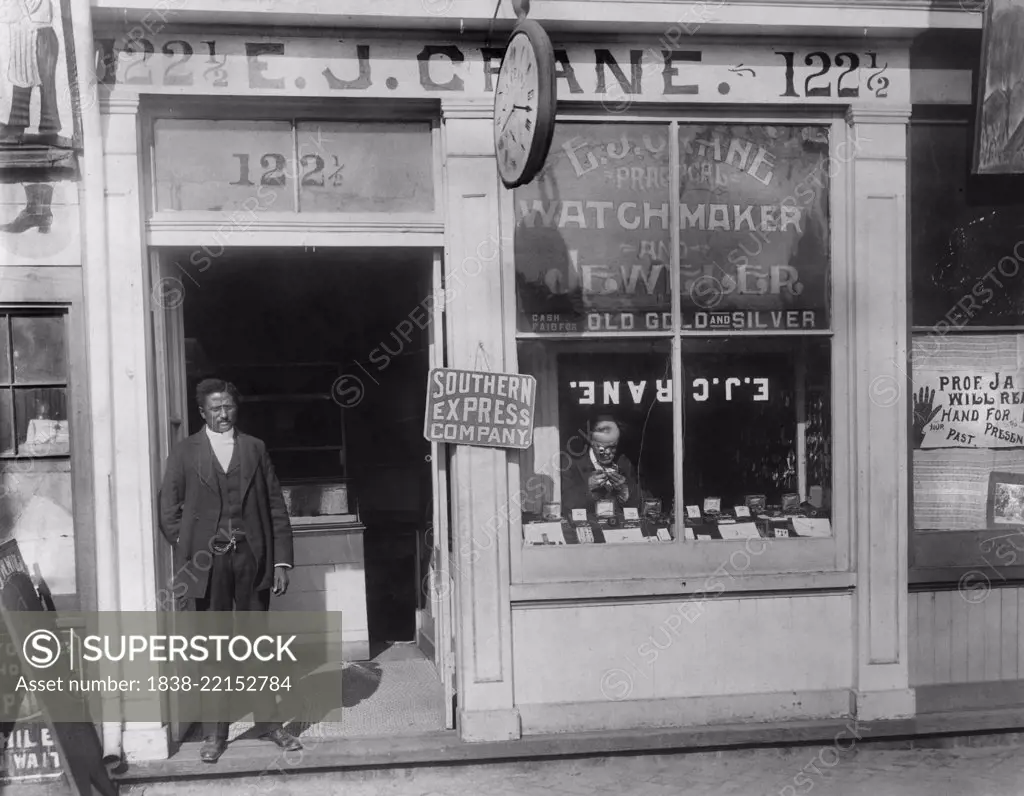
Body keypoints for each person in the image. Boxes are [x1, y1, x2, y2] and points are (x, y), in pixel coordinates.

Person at [158, 378, 302, 763]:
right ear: (202, 413)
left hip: (251, 560)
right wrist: (189, 548)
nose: (224, 414)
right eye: (216, 409)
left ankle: (270, 725)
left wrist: (281, 561)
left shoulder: (255, 448)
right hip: (207, 565)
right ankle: (214, 735)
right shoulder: (185, 451)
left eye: (229, 407)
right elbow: (168, 510)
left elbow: (275, 507)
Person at [0, 0, 62, 144]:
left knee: (44, 86)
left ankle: (48, 127)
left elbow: (13, 12)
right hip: (24, 36)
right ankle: (18, 125)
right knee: (21, 81)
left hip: (39, 36)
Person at [561, 414, 642, 519]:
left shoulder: (623, 462)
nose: (607, 452)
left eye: (613, 447)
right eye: (601, 447)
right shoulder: (571, 463)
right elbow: (564, 505)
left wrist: (625, 491)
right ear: (591, 440)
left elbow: (642, 503)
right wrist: (588, 487)